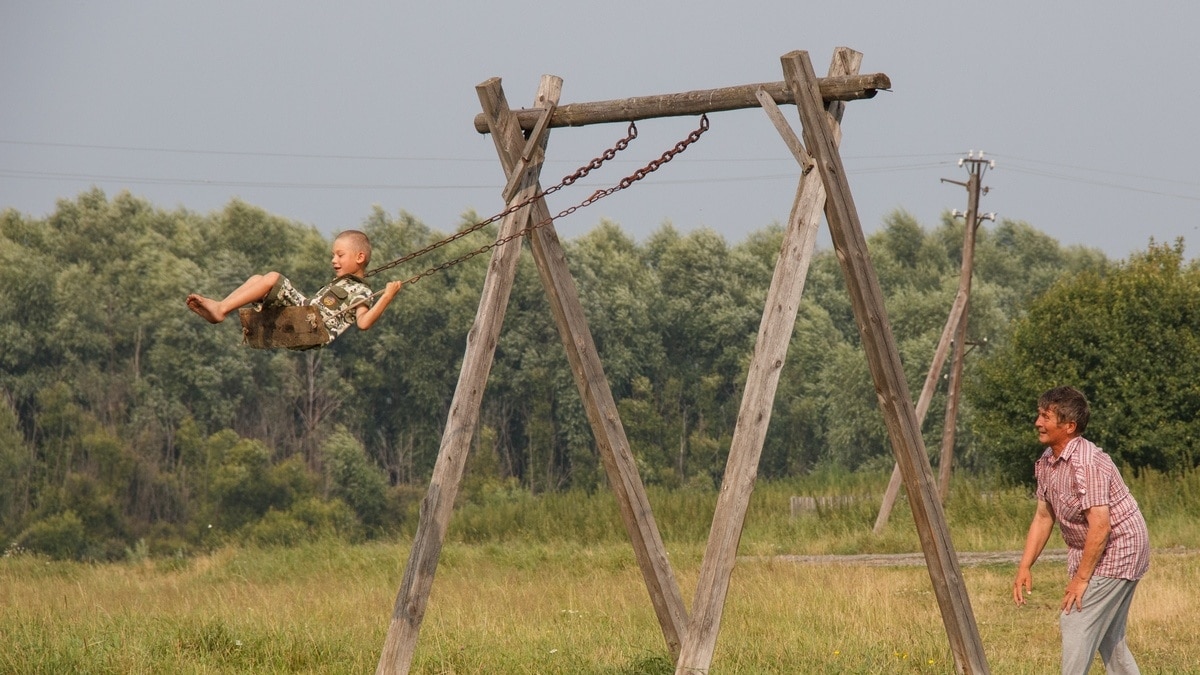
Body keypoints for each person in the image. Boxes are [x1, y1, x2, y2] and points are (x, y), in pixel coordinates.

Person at [1012, 386, 1149, 674]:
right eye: (1039, 415)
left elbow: (1101, 527)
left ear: (1069, 426)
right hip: (1096, 547)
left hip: (1119, 546)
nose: (1038, 422)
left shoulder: (1087, 462)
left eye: (1046, 417)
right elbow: (1043, 517)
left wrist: (1081, 580)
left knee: (1075, 618)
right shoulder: (1048, 461)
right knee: (1110, 637)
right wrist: (1025, 565)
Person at [186, 229, 403, 346]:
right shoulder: (343, 283)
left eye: (340, 255)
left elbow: (363, 323)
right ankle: (221, 307)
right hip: (303, 315)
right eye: (333, 255)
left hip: (314, 326)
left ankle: (221, 310)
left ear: (360, 257)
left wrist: (387, 296)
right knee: (257, 279)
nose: (334, 260)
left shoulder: (362, 292)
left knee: (272, 278)